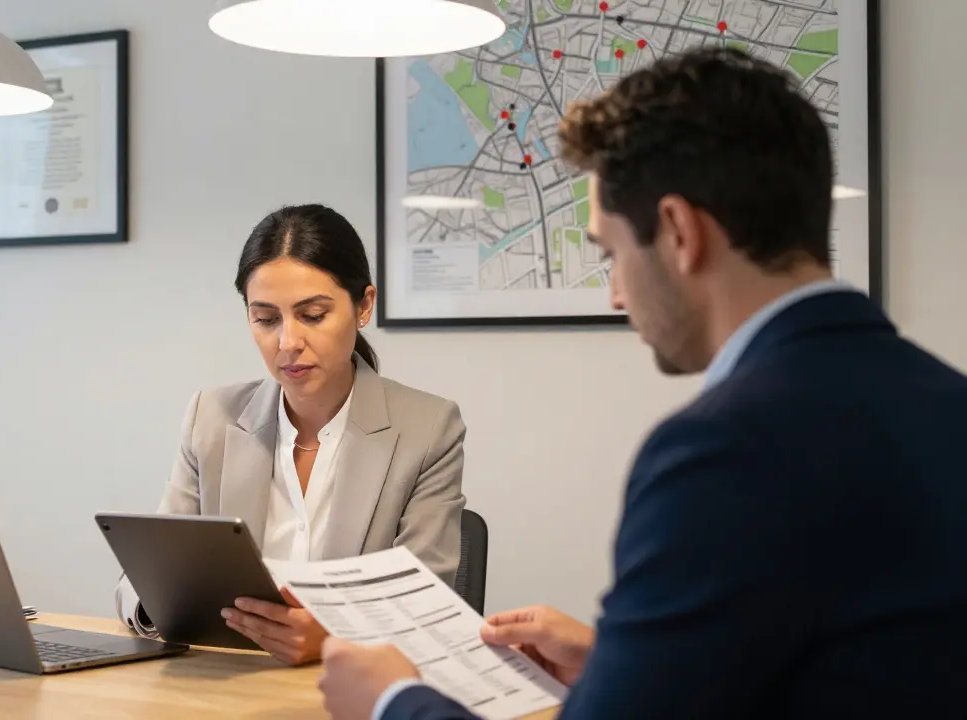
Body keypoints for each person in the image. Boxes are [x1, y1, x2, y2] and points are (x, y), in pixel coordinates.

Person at [316, 47, 967, 719]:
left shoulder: (722, 450)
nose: (615, 295)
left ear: (681, 233)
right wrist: (620, 666)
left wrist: (391, 701)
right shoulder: (949, 405)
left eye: (610, 253)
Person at [115, 203, 468, 666]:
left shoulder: (428, 428)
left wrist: (332, 639)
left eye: (314, 315)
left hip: (353, 690)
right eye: (266, 319)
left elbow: (425, 604)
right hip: (227, 684)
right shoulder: (212, 419)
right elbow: (141, 582)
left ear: (363, 305)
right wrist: (157, 603)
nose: (287, 342)